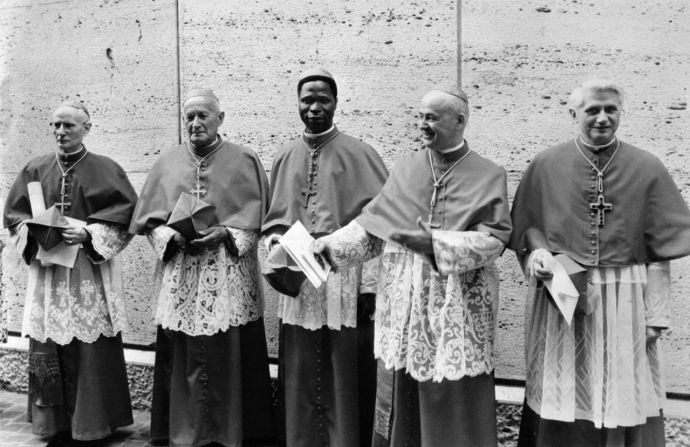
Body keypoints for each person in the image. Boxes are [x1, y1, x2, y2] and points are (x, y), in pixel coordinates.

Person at [313, 86, 512, 447]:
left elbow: (494, 241)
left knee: (451, 398)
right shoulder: (407, 166)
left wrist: (436, 245)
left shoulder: (488, 174)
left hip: (456, 309)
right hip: (403, 305)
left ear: (460, 121)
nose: (421, 124)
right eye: (419, 116)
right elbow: (373, 229)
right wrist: (327, 247)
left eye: (431, 118)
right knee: (402, 398)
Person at [509, 79, 690, 447]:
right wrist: (538, 260)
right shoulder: (546, 164)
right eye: (593, 109)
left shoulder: (647, 166)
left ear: (621, 112)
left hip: (625, 302)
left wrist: (656, 316)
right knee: (565, 391)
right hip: (563, 298)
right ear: (573, 113)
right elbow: (528, 232)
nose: (603, 118)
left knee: (622, 392)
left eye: (611, 109)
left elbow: (659, 253)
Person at [129, 89, 274, 447]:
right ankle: (184, 431)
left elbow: (259, 224)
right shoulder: (167, 161)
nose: (195, 123)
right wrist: (170, 236)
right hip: (181, 274)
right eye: (189, 117)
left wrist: (227, 233)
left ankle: (231, 431)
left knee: (230, 349)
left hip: (226, 273)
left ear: (220, 118)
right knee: (183, 352)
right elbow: (148, 222)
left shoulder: (245, 159)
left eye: (203, 116)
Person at [261, 68, 388, 447]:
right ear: (297, 104)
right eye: (307, 100)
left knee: (344, 366)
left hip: (344, 279)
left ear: (336, 103)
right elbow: (272, 221)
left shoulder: (361, 153)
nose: (314, 107)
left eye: (323, 99)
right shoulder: (285, 155)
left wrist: (369, 287)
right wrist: (273, 248)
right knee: (301, 365)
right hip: (299, 276)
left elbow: (379, 227)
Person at [3, 101, 138, 446]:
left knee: (90, 342)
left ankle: (94, 421)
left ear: (87, 128)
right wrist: (31, 233)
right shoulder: (35, 169)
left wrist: (89, 234)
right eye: (55, 126)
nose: (60, 132)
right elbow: (14, 217)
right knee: (49, 340)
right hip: (48, 272)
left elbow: (125, 216)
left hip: (85, 271)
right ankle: (54, 422)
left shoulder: (106, 169)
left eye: (68, 126)